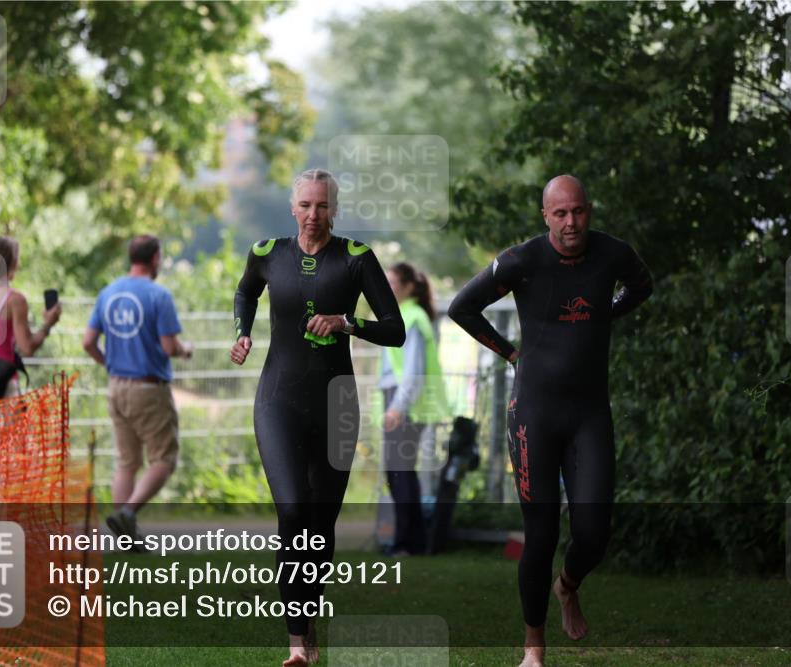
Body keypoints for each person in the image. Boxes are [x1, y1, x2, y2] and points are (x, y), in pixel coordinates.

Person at [448, 175, 653, 667]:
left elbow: (643, 286)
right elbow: (461, 307)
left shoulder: (612, 254)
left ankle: (569, 585)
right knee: (539, 534)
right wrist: (511, 353)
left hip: (588, 415)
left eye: (578, 212)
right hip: (533, 416)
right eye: (559, 214)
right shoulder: (523, 261)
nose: (570, 222)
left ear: (590, 211)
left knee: (594, 531)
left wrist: (605, 314)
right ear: (545, 216)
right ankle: (533, 647)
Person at [230, 169, 405, 666]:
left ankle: (309, 620)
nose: (314, 214)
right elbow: (246, 292)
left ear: (334, 209)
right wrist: (242, 331)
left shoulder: (356, 259)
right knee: (292, 512)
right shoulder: (266, 254)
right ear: (292, 207)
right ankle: (297, 644)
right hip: (278, 400)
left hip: (337, 403)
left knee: (320, 523)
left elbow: (395, 330)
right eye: (306, 205)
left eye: (323, 206)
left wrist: (347, 322)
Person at [83, 235, 193, 549]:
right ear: (156, 258)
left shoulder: (108, 292)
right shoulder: (159, 295)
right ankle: (128, 513)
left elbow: (88, 342)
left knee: (127, 463)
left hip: (116, 387)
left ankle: (126, 538)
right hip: (148, 388)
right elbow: (169, 346)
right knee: (164, 459)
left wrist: (111, 364)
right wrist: (185, 351)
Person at [379, 262, 450, 556]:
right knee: (400, 473)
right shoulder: (402, 315)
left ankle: (405, 543)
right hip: (403, 402)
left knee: (400, 474)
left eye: (393, 282)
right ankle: (414, 542)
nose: (388, 288)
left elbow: (413, 371)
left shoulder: (411, 318)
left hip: (407, 404)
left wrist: (397, 407)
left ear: (409, 286)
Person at [0, 235, 62, 397]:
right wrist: (48, 324)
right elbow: (27, 347)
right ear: (13, 263)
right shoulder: (14, 300)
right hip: (2, 385)